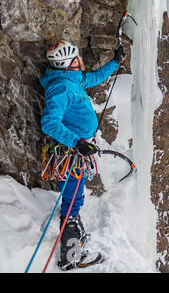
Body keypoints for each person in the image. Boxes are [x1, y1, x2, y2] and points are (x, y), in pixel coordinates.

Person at [39, 40, 125, 271]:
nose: (82, 60)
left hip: (76, 152)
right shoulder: (62, 88)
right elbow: (49, 123)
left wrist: (115, 62)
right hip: (70, 154)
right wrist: (77, 142)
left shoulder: (72, 81)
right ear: (69, 63)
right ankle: (69, 256)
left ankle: (76, 243)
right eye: (78, 58)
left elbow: (95, 77)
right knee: (72, 202)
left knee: (74, 199)